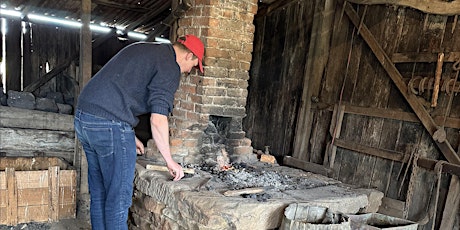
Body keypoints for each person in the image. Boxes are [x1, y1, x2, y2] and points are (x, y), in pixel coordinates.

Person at [74, 34, 204, 230]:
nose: (190, 71)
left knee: (100, 193)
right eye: (194, 65)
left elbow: (120, 90)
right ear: (189, 55)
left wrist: (128, 133)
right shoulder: (170, 66)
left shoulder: (146, 49)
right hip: (109, 124)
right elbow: (158, 118)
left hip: (85, 118)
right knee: (117, 199)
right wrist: (169, 160)